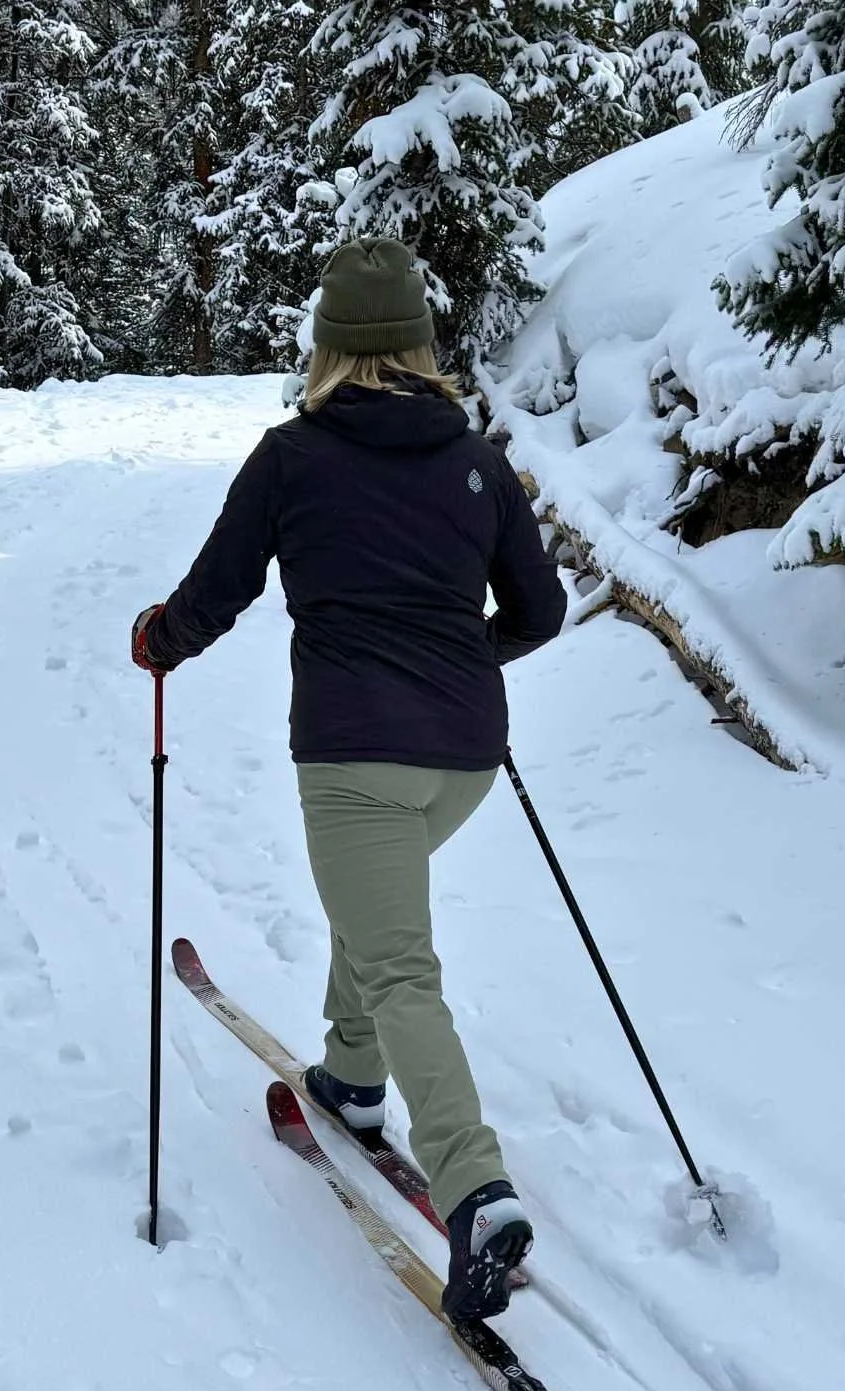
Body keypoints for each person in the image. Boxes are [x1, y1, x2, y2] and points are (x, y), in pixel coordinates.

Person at [131, 237, 566, 1320]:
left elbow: (215, 593)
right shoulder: (476, 459)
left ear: (327, 345)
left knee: (398, 959)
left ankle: (475, 1192)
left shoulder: (293, 456)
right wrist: (462, 655)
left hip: (354, 757)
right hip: (463, 758)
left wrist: (158, 640)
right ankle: (352, 1076)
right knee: (373, 913)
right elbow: (542, 610)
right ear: (420, 343)